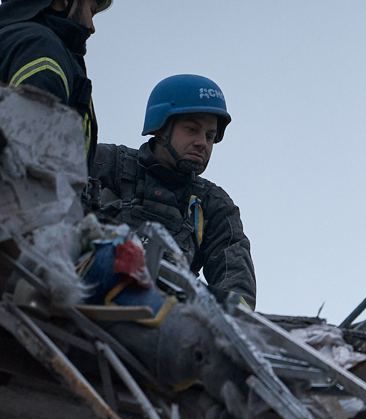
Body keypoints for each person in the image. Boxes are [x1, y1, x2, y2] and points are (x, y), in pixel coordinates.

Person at [91, 74, 256, 308]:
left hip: (165, 324)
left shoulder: (213, 205)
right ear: (161, 128)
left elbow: (238, 291)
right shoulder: (106, 163)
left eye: (210, 136)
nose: (203, 143)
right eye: (192, 130)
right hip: (83, 301)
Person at [0, 0, 106, 167]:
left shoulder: (14, 40)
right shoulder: (40, 48)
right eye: (91, 11)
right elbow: (34, 160)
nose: (92, 28)